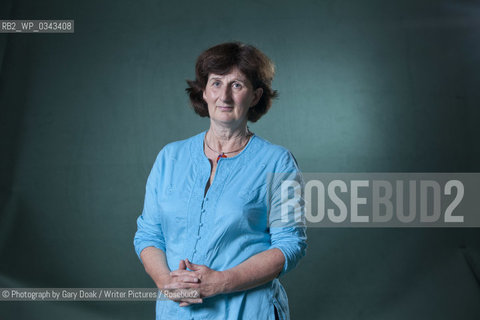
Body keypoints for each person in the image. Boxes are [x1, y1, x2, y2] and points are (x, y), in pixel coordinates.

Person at [134, 42, 307, 320]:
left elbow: (289, 245)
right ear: (203, 92)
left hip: (247, 312)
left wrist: (221, 282)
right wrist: (166, 282)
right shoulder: (170, 157)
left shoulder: (278, 162)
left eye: (237, 85)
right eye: (216, 83)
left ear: (255, 96)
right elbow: (149, 234)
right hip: (175, 313)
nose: (224, 96)